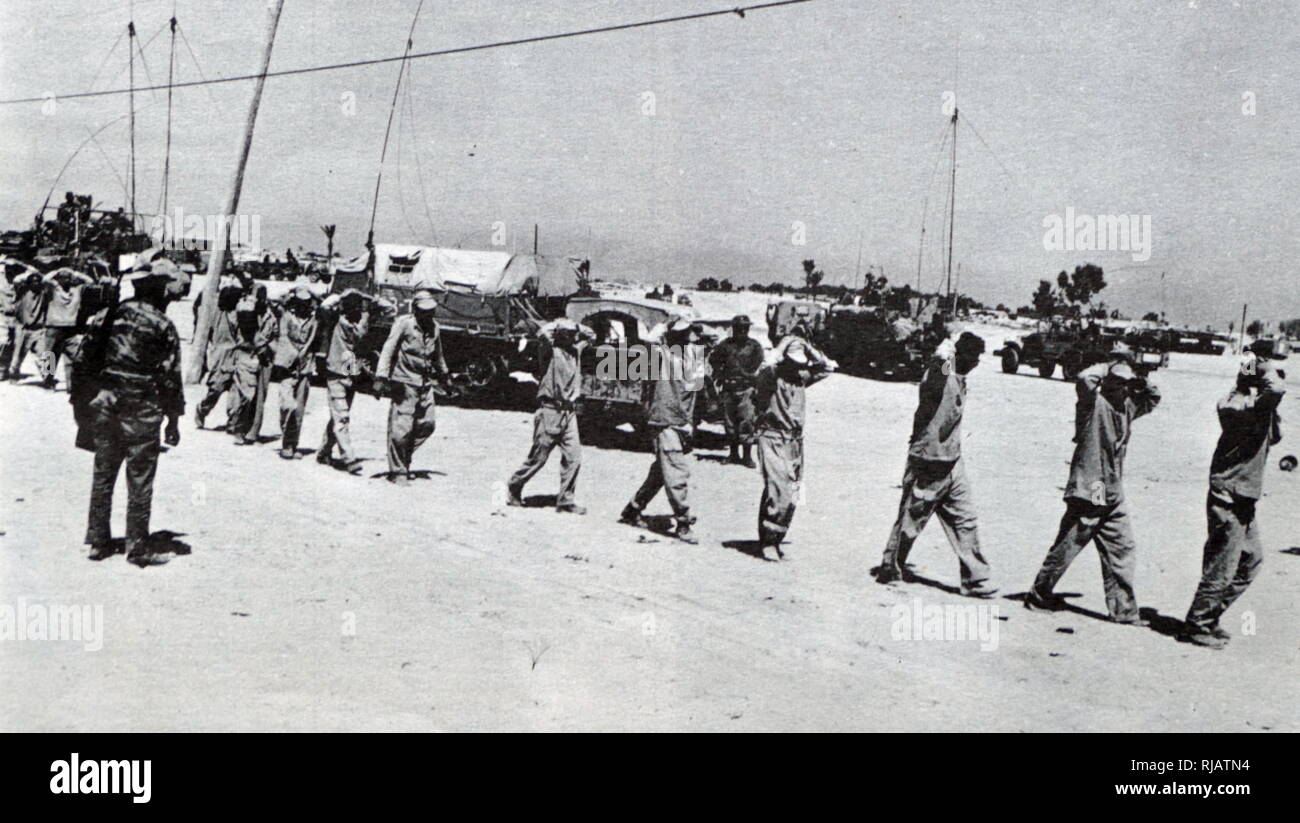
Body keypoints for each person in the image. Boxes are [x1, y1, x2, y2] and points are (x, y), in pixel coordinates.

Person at [1024, 358, 1161, 623]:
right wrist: (1109, 363)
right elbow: (1085, 378)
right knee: (1070, 543)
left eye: (1127, 385)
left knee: (1122, 548)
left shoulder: (1128, 407)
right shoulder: (1092, 405)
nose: (1123, 389)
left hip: (1112, 488)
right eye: (1118, 383)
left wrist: (1141, 380)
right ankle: (1038, 595)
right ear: (1107, 383)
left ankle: (1123, 611)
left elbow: (1153, 398)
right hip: (1093, 487)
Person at [78, 259, 188, 567]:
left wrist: (86, 401)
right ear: (159, 290)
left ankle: (98, 541)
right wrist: (174, 420)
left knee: (104, 472)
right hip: (141, 406)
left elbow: (81, 358)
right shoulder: (162, 324)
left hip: (105, 402)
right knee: (139, 476)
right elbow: (170, 377)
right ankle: (137, 547)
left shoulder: (107, 315)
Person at [875, 332, 997, 597]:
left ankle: (976, 579)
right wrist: (944, 354)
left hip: (952, 460)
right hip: (928, 460)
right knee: (911, 521)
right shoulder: (941, 373)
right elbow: (937, 375)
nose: (976, 363)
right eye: (972, 358)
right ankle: (890, 566)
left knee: (965, 520)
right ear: (958, 356)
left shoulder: (961, 378)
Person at [1179, 355, 1286, 649]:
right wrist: (1262, 370)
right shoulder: (1235, 405)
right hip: (1229, 495)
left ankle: (1209, 615)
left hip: (1244, 496)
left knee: (1250, 560)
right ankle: (1197, 624)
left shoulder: (1256, 408)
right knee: (1223, 565)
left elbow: (1275, 436)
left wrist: (1260, 379)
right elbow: (1274, 390)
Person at [752, 332, 836, 560]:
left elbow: (828, 367)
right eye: (791, 362)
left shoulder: (800, 377)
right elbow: (766, 365)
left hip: (796, 441)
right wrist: (786, 342)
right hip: (773, 436)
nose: (795, 367)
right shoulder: (770, 377)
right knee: (778, 488)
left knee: (794, 493)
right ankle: (768, 541)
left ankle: (776, 538)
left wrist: (807, 347)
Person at [620, 318, 702, 544]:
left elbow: (693, 397)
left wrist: (689, 423)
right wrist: (668, 324)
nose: (686, 338)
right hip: (663, 422)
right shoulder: (660, 356)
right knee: (676, 473)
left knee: (661, 472)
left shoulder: (694, 358)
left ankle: (632, 510)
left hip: (681, 424)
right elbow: (648, 340)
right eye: (681, 334)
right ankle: (683, 523)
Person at [506, 317, 596, 511]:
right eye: (569, 334)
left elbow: (592, 336)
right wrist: (557, 324)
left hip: (569, 413)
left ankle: (565, 501)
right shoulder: (549, 351)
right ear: (560, 335)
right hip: (550, 411)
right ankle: (514, 485)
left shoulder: (576, 352)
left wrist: (576, 326)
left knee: (574, 458)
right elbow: (542, 334)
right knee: (538, 458)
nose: (573, 337)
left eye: (574, 334)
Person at [374, 289, 448, 484]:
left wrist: (445, 377)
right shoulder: (404, 324)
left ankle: (403, 456)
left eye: (431, 310)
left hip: (425, 383)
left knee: (428, 424)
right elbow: (388, 350)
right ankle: (398, 470)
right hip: (404, 382)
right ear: (415, 309)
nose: (428, 314)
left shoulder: (435, 327)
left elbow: (438, 355)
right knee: (401, 429)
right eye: (424, 310)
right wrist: (381, 377)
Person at [317, 289, 389, 474]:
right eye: (350, 307)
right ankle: (349, 458)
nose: (353, 311)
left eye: (356, 307)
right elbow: (325, 304)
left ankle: (324, 451)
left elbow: (390, 310)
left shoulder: (363, 318)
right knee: (341, 416)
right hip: (335, 372)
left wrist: (371, 297)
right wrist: (342, 296)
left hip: (351, 372)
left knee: (340, 414)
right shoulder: (335, 319)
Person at [708, 314, 765, 467]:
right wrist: (720, 373)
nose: (742, 331)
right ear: (733, 328)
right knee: (729, 423)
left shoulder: (754, 346)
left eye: (745, 328)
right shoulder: (725, 345)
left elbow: (759, 362)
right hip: (728, 388)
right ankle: (733, 454)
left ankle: (747, 456)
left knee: (747, 422)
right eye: (739, 328)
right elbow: (713, 360)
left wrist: (747, 376)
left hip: (746, 389)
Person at [194, 277, 249, 430]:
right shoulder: (217, 311)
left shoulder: (241, 312)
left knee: (236, 390)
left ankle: (232, 421)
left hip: (237, 355)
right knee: (216, 389)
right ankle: (202, 410)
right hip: (220, 357)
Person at [273, 287, 319, 459]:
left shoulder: (313, 320)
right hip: (287, 366)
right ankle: (286, 440)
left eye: (306, 303)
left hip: (305, 366)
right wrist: (292, 290)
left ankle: (292, 444)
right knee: (287, 405)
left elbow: (311, 340)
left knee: (299, 409)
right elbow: (283, 336)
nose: (303, 307)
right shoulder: (286, 316)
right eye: (300, 303)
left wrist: (304, 352)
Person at [232, 285, 277, 445]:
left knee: (260, 397)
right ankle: (238, 428)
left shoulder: (271, 316)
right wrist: (261, 345)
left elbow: (276, 335)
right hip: (247, 355)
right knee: (246, 395)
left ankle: (252, 432)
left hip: (265, 359)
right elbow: (243, 335)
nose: (261, 300)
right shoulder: (245, 311)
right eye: (258, 296)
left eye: (263, 296)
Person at [37, 267, 93, 390]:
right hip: (54, 327)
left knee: (74, 356)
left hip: (70, 328)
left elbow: (90, 282)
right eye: (62, 277)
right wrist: (57, 271)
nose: (65, 280)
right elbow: (45, 279)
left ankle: (71, 385)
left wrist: (75, 273)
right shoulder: (53, 289)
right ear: (58, 279)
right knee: (51, 355)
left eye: (68, 277)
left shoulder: (76, 290)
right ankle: (48, 380)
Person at [8, 270, 47, 379]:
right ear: (28, 283)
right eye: (33, 281)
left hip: (39, 328)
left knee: (46, 354)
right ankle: (14, 375)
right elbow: (16, 280)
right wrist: (28, 271)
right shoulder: (23, 291)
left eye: (38, 281)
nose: (36, 283)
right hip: (23, 328)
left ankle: (49, 378)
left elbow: (48, 280)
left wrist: (39, 274)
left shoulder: (43, 293)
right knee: (18, 354)